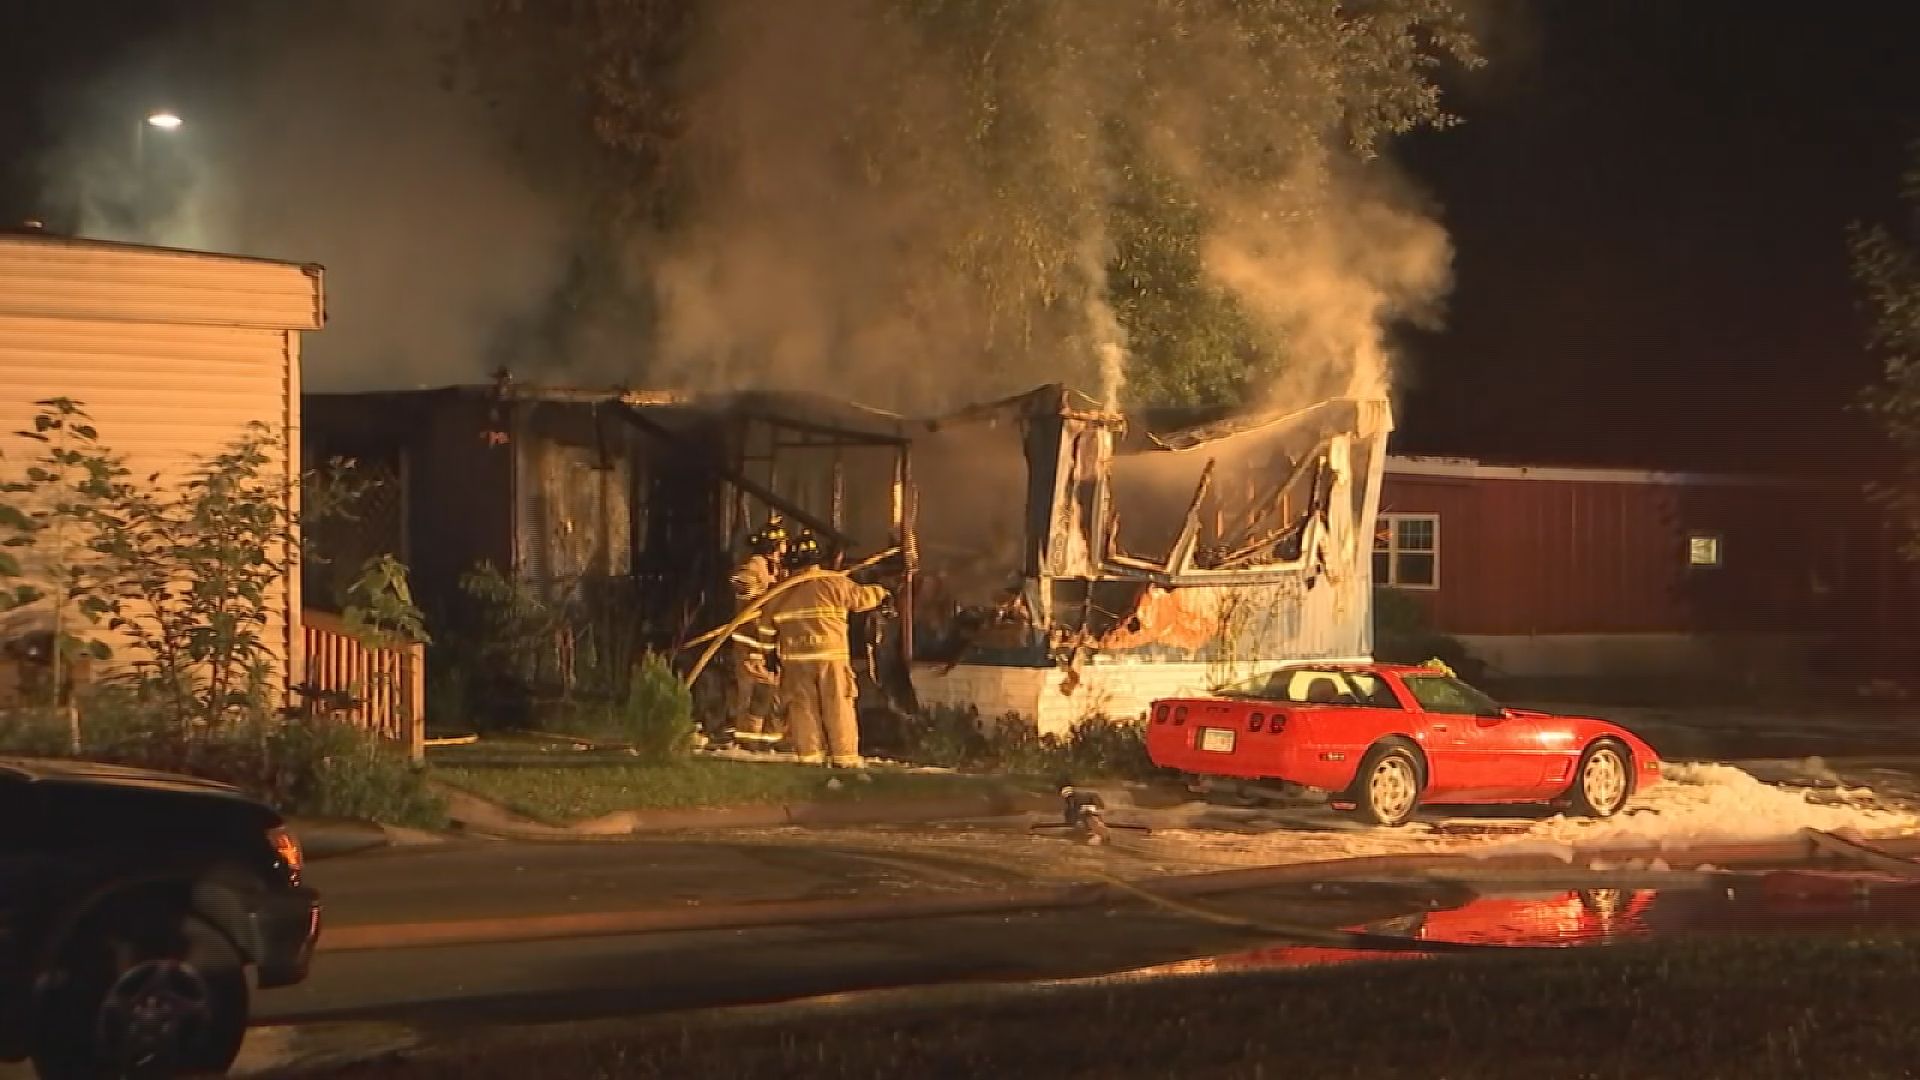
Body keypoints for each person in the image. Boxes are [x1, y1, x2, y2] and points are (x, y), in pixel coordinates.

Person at [759, 529, 890, 768]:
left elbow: (765, 628)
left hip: (795, 661)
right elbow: (862, 598)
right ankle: (845, 758)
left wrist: (769, 653)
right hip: (831, 658)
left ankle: (810, 758)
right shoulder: (835, 582)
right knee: (838, 705)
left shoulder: (779, 592)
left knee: (802, 708)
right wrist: (882, 591)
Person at [723, 520, 786, 750]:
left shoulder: (774, 568)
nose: (784, 550)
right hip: (750, 645)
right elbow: (740, 582)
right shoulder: (755, 565)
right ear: (772, 547)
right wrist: (763, 593)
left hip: (767, 644)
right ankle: (748, 740)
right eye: (781, 545)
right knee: (753, 694)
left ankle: (769, 740)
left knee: (770, 693)